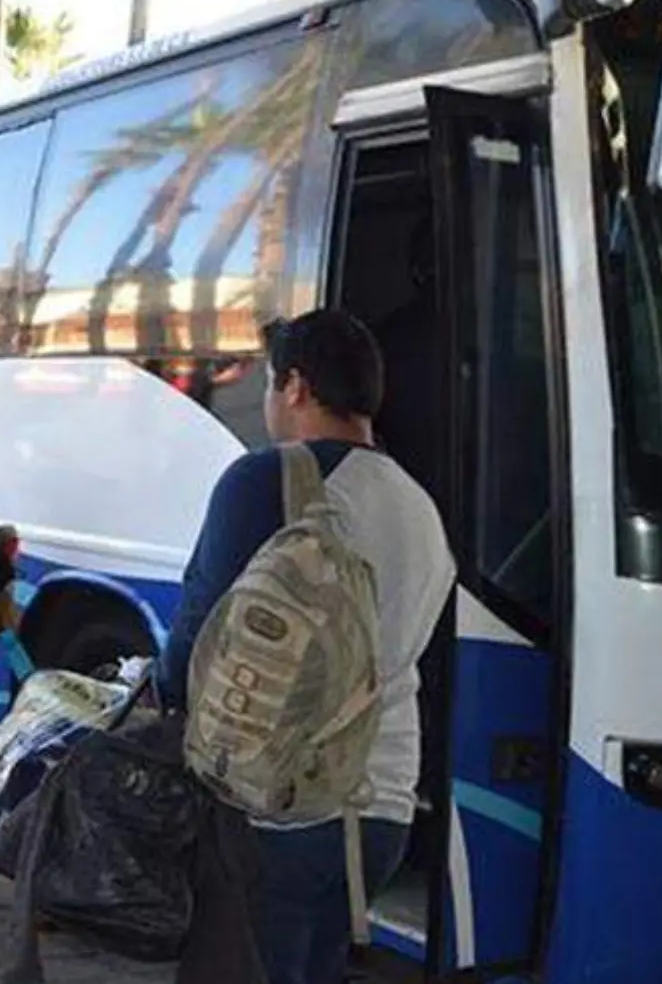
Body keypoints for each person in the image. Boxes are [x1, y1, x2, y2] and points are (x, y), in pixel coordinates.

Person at [158, 310, 455, 984]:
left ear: (294, 386)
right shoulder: (418, 504)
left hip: (279, 809)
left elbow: (193, 648)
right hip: (383, 809)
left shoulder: (265, 480)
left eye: (268, 382)